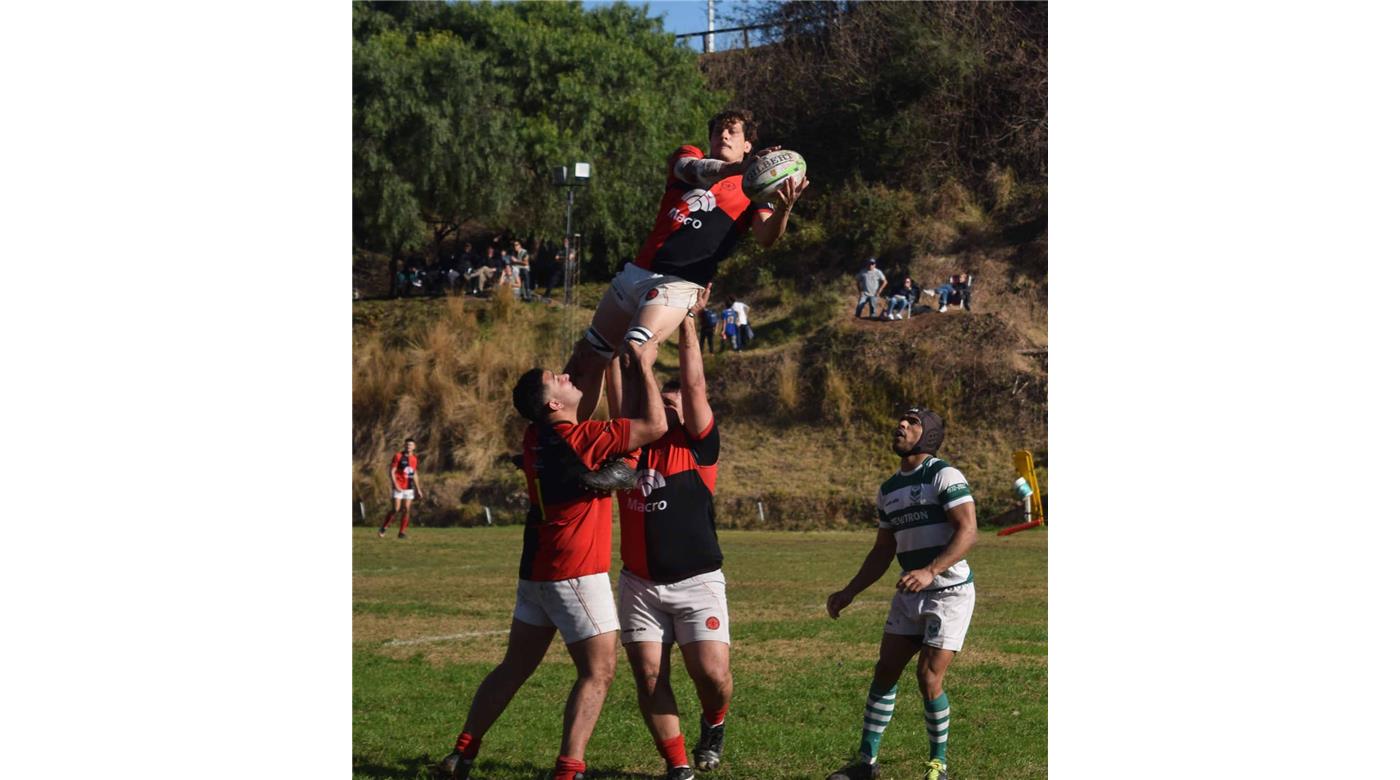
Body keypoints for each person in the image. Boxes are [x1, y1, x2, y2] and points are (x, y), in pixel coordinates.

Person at [436, 340, 670, 780]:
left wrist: (596, 357)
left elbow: (573, 388)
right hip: (576, 573)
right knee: (598, 672)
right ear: (553, 403)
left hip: (537, 573)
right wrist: (641, 365)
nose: (565, 375)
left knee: (514, 667)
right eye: (556, 380)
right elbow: (656, 424)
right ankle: (569, 770)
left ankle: (461, 754)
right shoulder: (587, 439)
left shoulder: (535, 436)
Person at [563, 108, 810, 420]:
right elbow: (692, 169)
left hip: (679, 283)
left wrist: (784, 210)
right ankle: (565, 440)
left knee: (632, 354)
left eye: (733, 132)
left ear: (748, 144)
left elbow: (765, 237)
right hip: (638, 270)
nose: (723, 135)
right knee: (586, 356)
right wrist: (738, 167)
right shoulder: (690, 157)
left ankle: (624, 450)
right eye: (718, 130)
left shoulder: (754, 192)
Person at [607, 286, 731, 780]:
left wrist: (685, 318)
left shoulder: (698, 447)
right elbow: (624, 385)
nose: (673, 399)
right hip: (640, 583)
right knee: (650, 675)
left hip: (697, 581)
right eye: (666, 395)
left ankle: (714, 722)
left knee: (713, 676)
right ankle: (678, 766)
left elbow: (695, 386)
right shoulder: (629, 448)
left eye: (675, 396)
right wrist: (623, 338)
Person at [824, 407, 978, 780]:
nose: (901, 425)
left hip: (949, 592)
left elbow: (968, 530)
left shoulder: (944, 475)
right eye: (900, 421)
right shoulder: (889, 489)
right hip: (910, 594)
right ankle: (865, 765)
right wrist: (850, 591)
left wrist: (930, 571)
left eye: (911, 422)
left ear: (927, 434)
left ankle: (937, 764)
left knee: (928, 677)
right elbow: (882, 550)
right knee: (885, 671)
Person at [379, 439, 423, 539]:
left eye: (411, 445)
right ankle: (384, 527)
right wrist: (395, 484)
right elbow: (392, 471)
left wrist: (418, 489)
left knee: (407, 509)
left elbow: (414, 473)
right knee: (395, 509)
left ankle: (401, 533)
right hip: (398, 486)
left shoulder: (415, 459)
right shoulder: (398, 456)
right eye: (407, 445)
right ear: (404, 446)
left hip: (409, 488)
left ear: (414, 447)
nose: (409, 446)